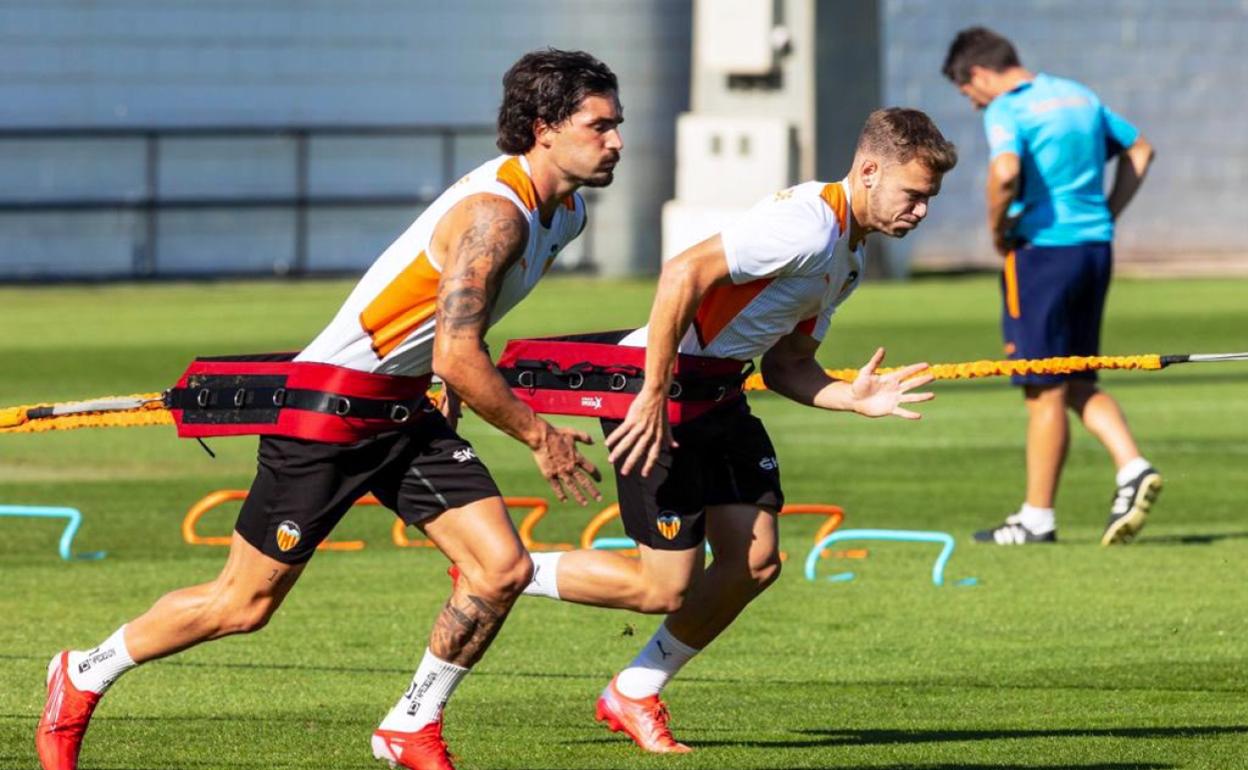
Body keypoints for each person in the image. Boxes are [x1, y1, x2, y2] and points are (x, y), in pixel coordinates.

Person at [36, 48, 622, 770]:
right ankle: (83, 671)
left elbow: (450, 335)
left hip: (405, 411)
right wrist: (538, 435)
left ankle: (410, 726)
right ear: (543, 128)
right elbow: (457, 354)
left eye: (617, 125)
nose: (617, 142)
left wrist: (441, 382)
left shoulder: (567, 213)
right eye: (600, 126)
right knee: (242, 606)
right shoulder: (494, 217)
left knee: (500, 567)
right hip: (329, 410)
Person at [514, 108, 955, 753]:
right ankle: (504, 568)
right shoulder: (805, 225)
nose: (920, 212)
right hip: (656, 394)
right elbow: (682, 274)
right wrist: (655, 390)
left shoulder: (848, 261)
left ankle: (634, 691)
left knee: (754, 562)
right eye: (914, 195)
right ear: (868, 171)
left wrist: (851, 399)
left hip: (718, 397)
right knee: (661, 587)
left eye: (929, 200)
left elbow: (786, 366)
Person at [941, 27, 1160, 546]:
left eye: (967, 94)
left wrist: (998, 231)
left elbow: (1005, 172)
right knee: (1079, 377)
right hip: (1094, 250)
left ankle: (1037, 517)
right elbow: (1142, 151)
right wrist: (1107, 215)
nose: (973, 106)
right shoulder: (1078, 94)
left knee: (1043, 387)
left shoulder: (1007, 109)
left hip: (1040, 253)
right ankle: (1132, 468)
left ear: (977, 74)